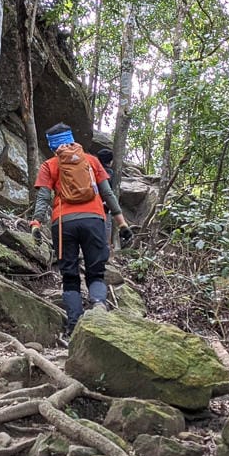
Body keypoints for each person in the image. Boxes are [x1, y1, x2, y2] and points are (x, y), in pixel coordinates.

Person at [30, 124, 134, 336]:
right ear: (72, 139)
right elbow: (108, 194)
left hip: (63, 223)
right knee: (96, 271)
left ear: (53, 146)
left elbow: (43, 198)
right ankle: (98, 307)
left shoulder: (49, 165)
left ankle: (74, 325)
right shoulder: (92, 161)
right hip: (94, 219)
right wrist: (122, 223)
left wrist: (36, 223)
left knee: (69, 275)